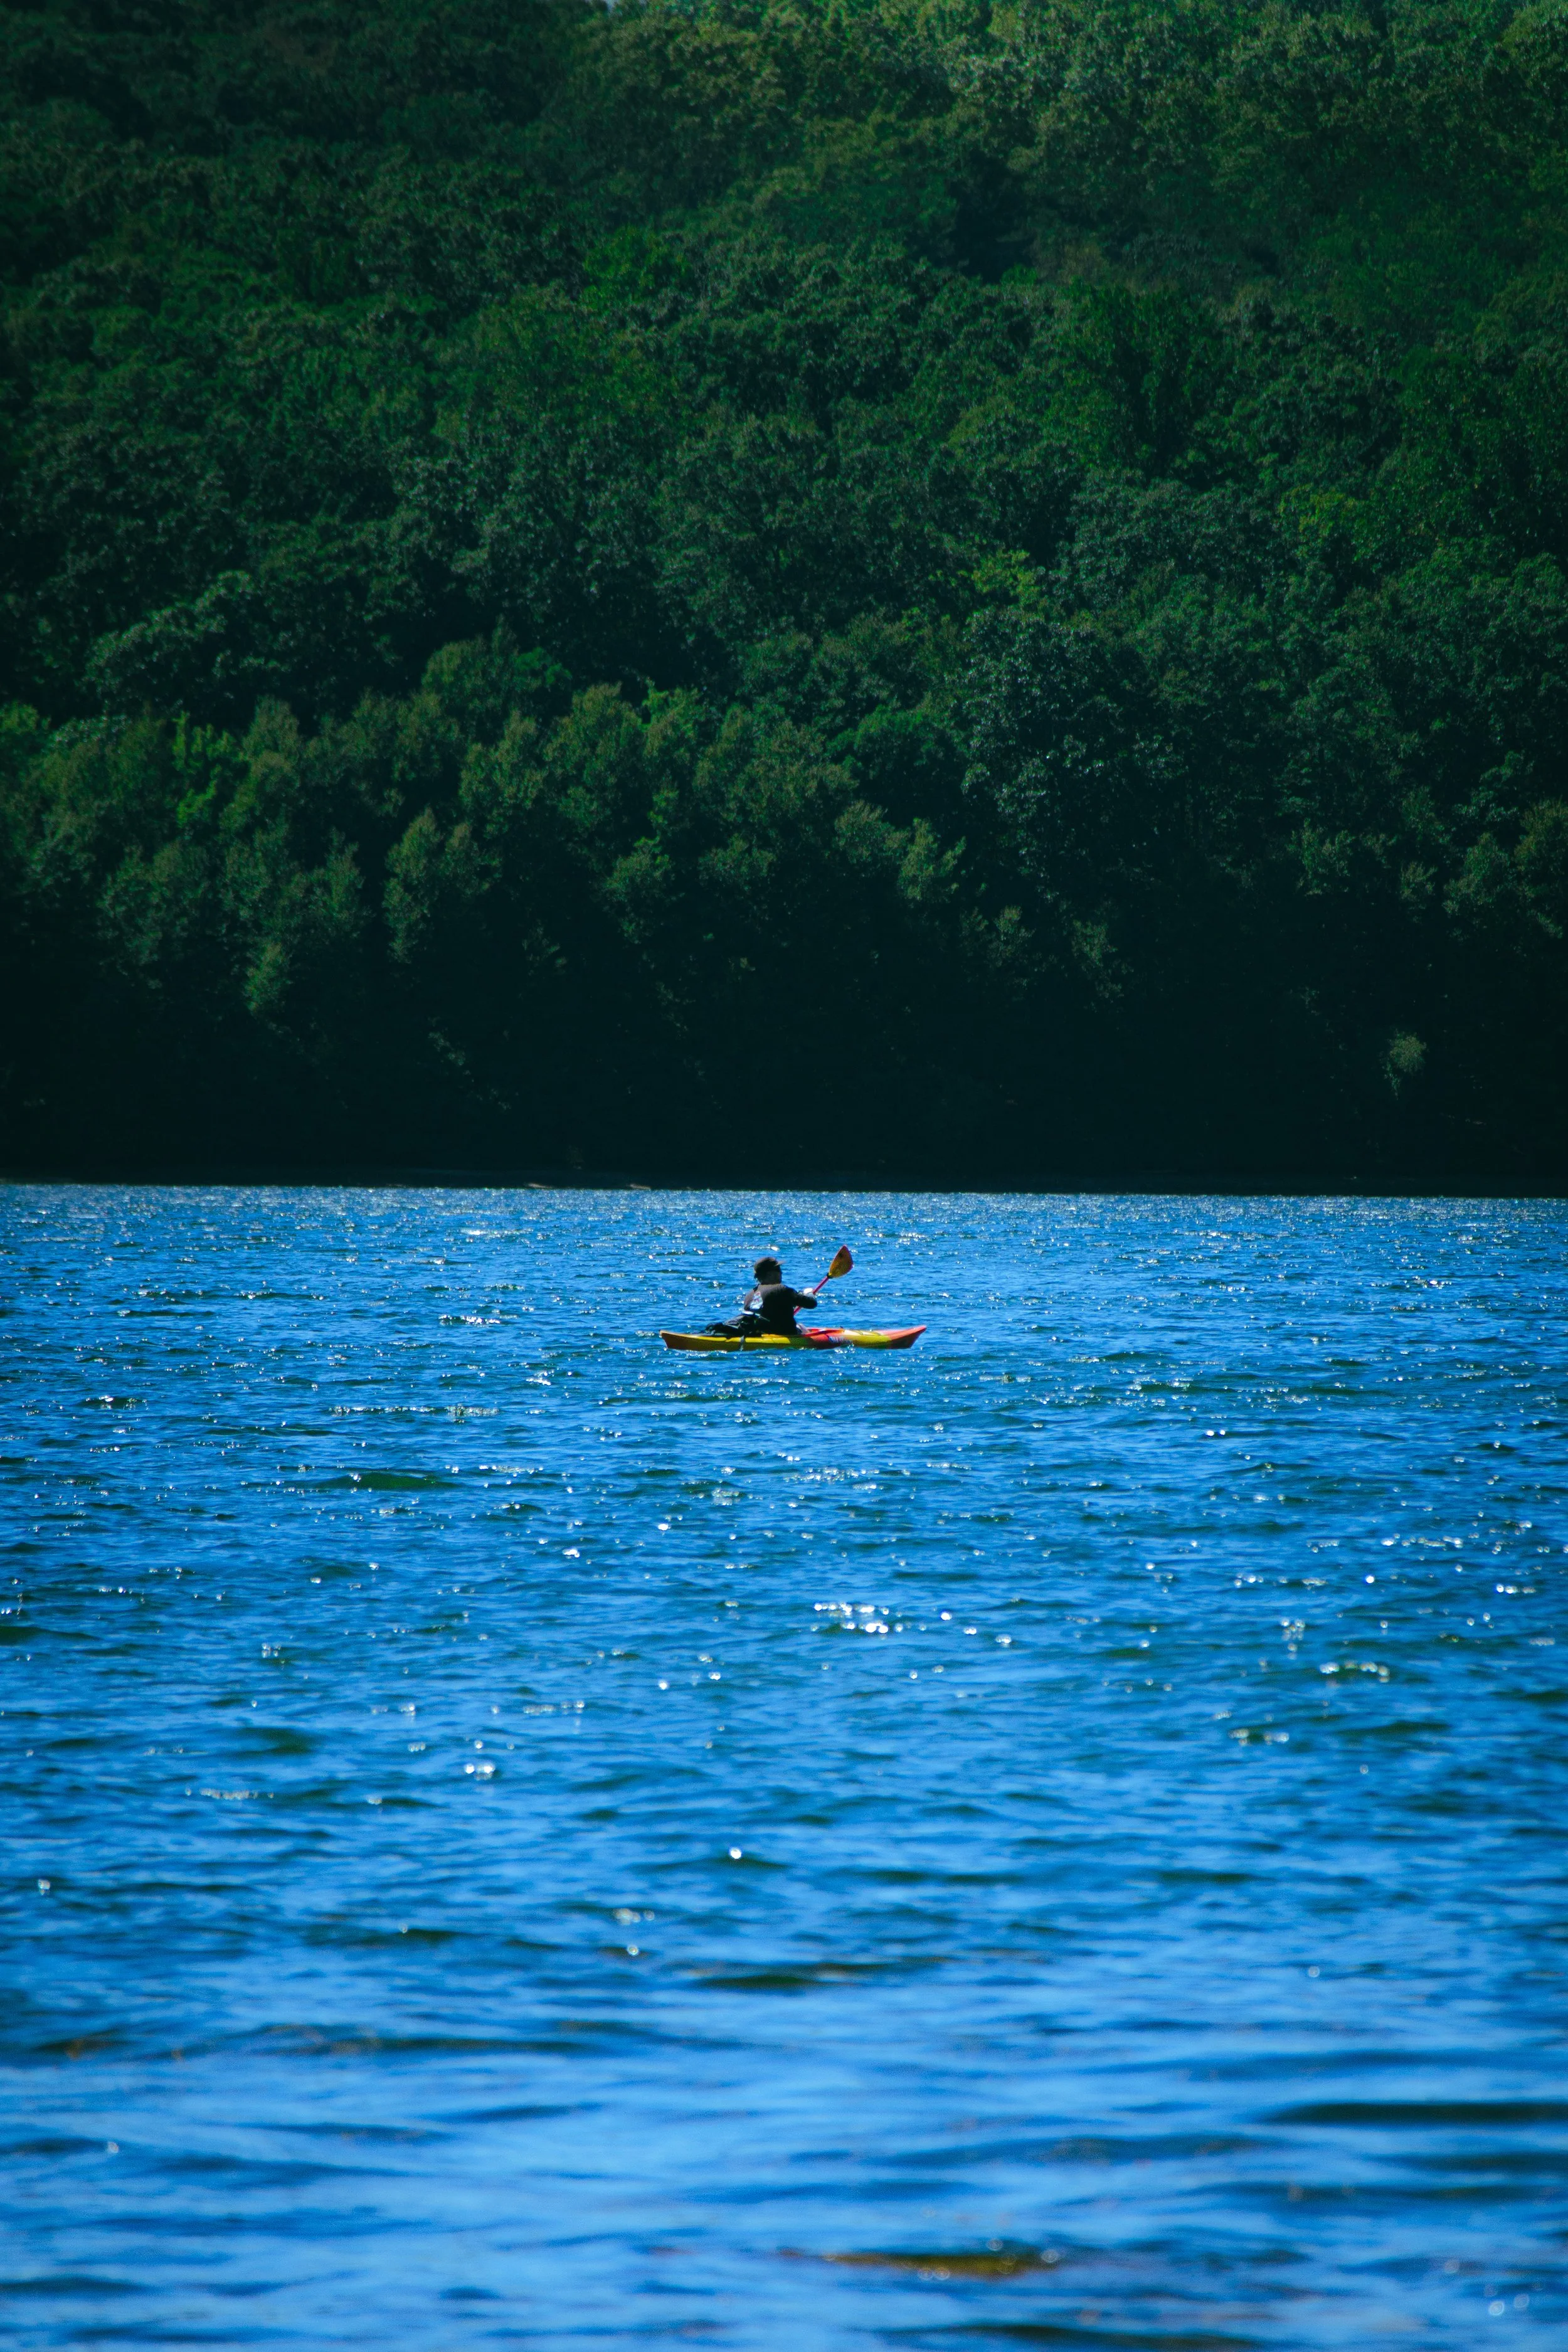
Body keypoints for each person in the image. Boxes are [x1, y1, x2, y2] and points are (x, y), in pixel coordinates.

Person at [705, 1255, 819, 1339]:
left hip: (755, 1333)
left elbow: (770, 1307)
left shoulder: (750, 1294)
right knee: (802, 1327)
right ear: (770, 1274)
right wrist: (809, 1293)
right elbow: (811, 1304)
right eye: (778, 1270)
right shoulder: (782, 1289)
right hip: (781, 1335)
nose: (781, 1273)